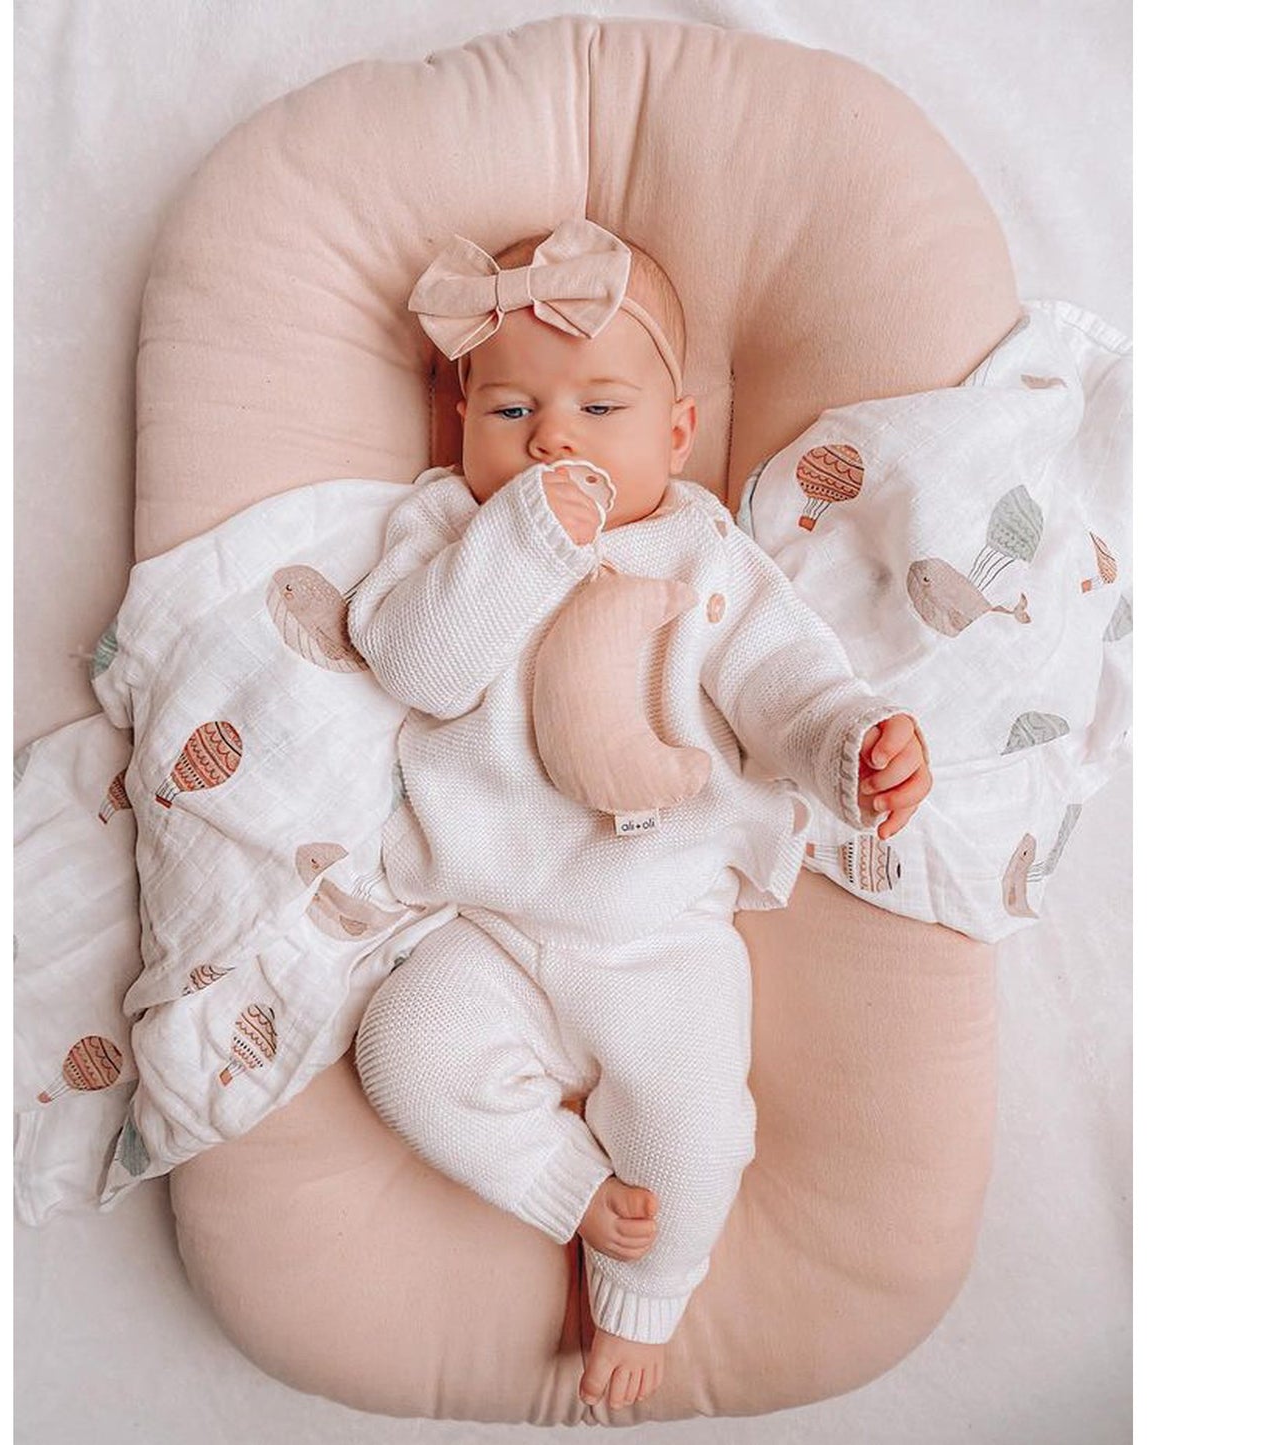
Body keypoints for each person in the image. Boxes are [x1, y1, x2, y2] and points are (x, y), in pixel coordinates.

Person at [348, 217, 931, 1411]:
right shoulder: (446, 532)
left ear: (675, 434)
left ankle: (643, 1290)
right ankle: (567, 1189)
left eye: (597, 411)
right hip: (488, 921)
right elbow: (416, 664)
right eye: (509, 412)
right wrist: (518, 538)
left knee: (696, 1128)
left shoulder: (703, 550)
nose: (552, 435)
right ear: (458, 423)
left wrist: (847, 743)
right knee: (401, 1048)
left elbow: (780, 682)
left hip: (659, 934)